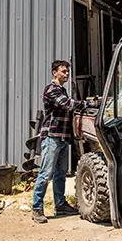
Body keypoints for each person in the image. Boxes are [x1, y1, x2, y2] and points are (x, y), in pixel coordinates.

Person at [32, 60, 88, 224]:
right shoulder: (51, 90)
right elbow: (67, 104)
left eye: (67, 71)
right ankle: (37, 208)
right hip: (52, 137)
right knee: (46, 173)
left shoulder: (62, 90)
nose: (67, 74)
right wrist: (87, 103)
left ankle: (61, 204)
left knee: (60, 174)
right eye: (64, 71)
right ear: (54, 73)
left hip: (62, 138)